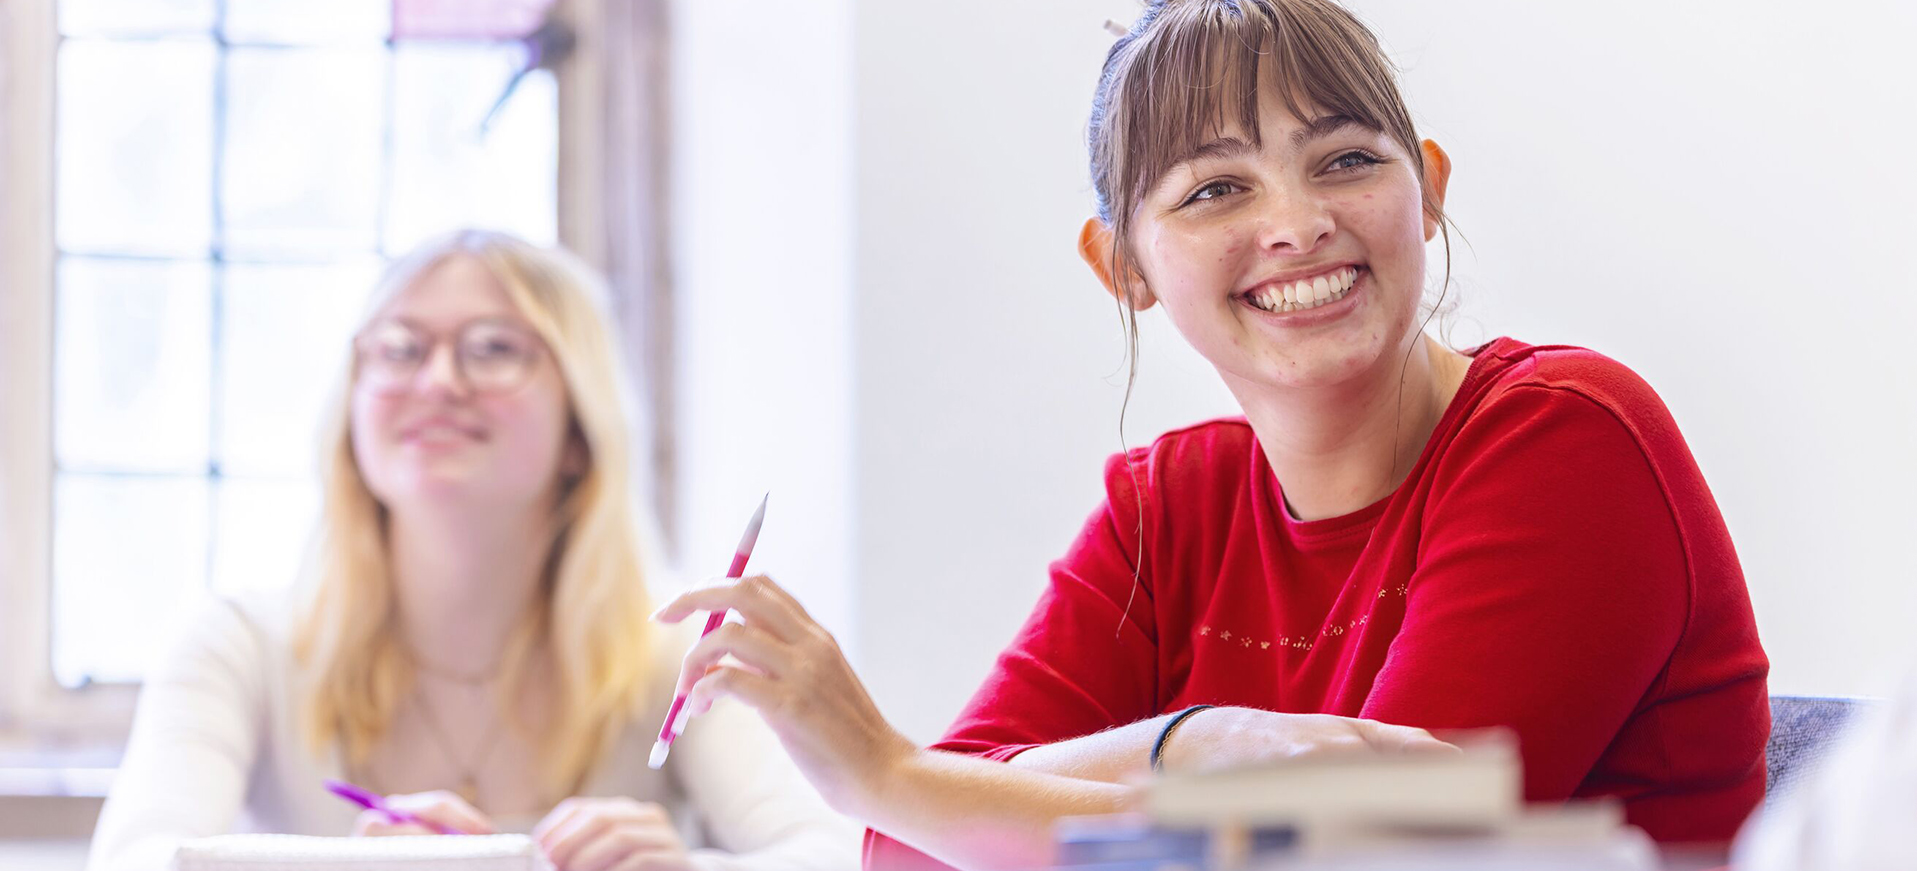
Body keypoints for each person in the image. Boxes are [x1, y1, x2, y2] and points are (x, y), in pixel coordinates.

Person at [645, 2, 1770, 869]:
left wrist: (899, 771)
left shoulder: (1566, 437)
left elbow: (1373, 848)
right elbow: (915, 843)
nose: (1296, 223)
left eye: (1345, 160)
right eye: (1215, 189)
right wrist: (1199, 745)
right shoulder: (1167, 504)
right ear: (1121, 265)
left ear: (1425, 189)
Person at [88, 230, 861, 871]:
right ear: (352, 414)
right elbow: (134, 859)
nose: (439, 380)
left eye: (494, 349)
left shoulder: (676, 653)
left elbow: (833, 854)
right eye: (398, 349)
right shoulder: (239, 645)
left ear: (579, 431)